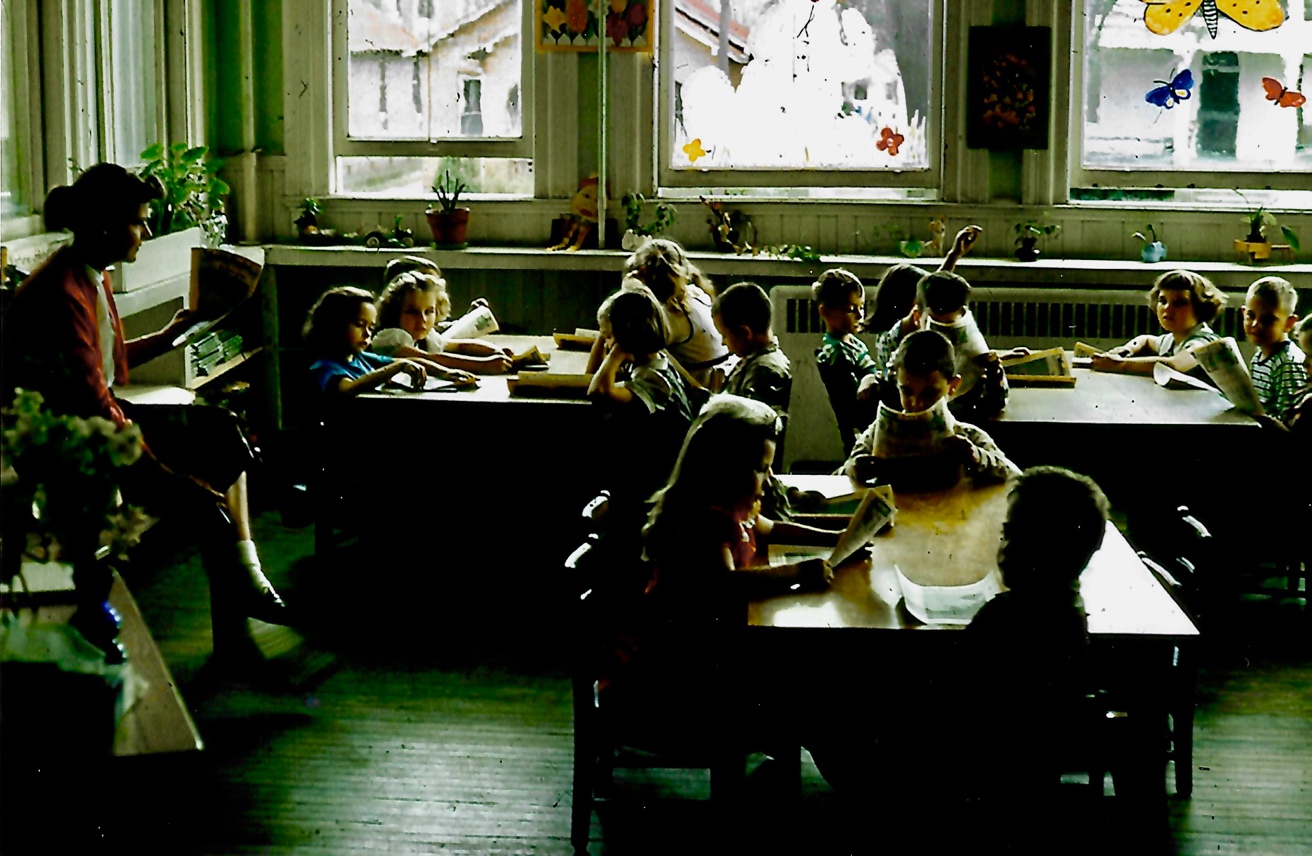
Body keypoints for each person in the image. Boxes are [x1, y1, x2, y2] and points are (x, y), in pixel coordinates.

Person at [2, 163, 288, 664]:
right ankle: (244, 593)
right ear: (104, 227)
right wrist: (166, 476)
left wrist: (173, 332)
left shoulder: (89, 274)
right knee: (207, 504)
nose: (147, 233)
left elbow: (104, 364)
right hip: (69, 444)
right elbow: (93, 402)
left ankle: (248, 574)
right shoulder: (62, 293)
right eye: (138, 222)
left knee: (220, 429)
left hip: (96, 420)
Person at [587, 284, 705, 561]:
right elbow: (591, 374)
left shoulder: (654, 380)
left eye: (609, 337)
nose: (606, 343)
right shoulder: (655, 362)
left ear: (626, 337)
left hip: (655, 485)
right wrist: (607, 339)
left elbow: (598, 390)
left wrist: (616, 352)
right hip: (652, 474)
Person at [844, 330, 1020, 486]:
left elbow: (1015, 476)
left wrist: (976, 457)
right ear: (897, 382)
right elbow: (840, 475)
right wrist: (854, 468)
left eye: (930, 393)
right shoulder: (877, 434)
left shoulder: (966, 436)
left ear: (952, 386)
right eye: (907, 391)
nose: (917, 403)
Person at [303, 286, 474, 398]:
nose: (367, 333)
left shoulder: (359, 357)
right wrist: (398, 367)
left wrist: (445, 373)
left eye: (371, 327)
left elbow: (409, 361)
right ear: (333, 325)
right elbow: (349, 388)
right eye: (359, 325)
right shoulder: (324, 367)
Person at [867, 225, 984, 384]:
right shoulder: (892, 336)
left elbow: (931, 288)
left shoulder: (901, 329)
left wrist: (954, 255)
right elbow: (928, 294)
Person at [621, 238, 728, 384]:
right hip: (717, 377)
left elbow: (626, 347)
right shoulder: (696, 293)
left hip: (697, 386)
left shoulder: (669, 316)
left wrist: (629, 293)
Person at [915, 269, 1015, 420]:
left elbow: (995, 404)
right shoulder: (905, 353)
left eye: (951, 326)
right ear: (917, 317)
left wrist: (994, 372)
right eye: (939, 327)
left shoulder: (970, 354)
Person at [370, 270, 513, 374]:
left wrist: (497, 352)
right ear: (394, 311)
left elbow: (460, 347)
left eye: (429, 311)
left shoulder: (426, 337)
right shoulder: (390, 338)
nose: (422, 319)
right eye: (412, 312)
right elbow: (429, 359)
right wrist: (484, 365)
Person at [1091, 269, 1225, 375]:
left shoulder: (1203, 342)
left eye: (1179, 303)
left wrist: (1119, 365)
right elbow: (1145, 340)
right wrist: (1126, 350)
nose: (1167, 308)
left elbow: (1175, 365)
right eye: (1163, 301)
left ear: (1201, 308)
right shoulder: (1175, 338)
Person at [813, 267, 881, 454]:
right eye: (851, 310)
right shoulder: (838, 355)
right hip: (866, 428)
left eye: (861, 307)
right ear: (825, 312)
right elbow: (856, 407)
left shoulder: (854, 343)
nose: (860, 315)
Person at [712, 281, 792, 415]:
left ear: (745, 333)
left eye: (724, 336)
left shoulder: (763, 372)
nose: (722, 343)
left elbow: (748, 422)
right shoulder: (754, 361)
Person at [1242, 276, 1307, 426]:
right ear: (1243, 314)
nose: (1255, 324)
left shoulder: (1287, 364)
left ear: (1289, 323)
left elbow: (1290, 422)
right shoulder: (1259, 357)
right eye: (1250, 316)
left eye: (1268, 320)